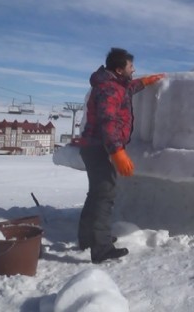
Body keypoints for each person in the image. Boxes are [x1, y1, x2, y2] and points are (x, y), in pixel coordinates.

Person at [78, 47, 165, 264]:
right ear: (119, 70)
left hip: (95, 146)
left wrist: (145, 82)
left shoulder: (115, 85)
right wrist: (117, 151)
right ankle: (101, 248)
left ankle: (88, 238)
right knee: (105, 194)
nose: (134, 70)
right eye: (130, 67)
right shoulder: (109, 90)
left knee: (97, 193)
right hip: (100, 147)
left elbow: (128, 88)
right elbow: (108, 123)